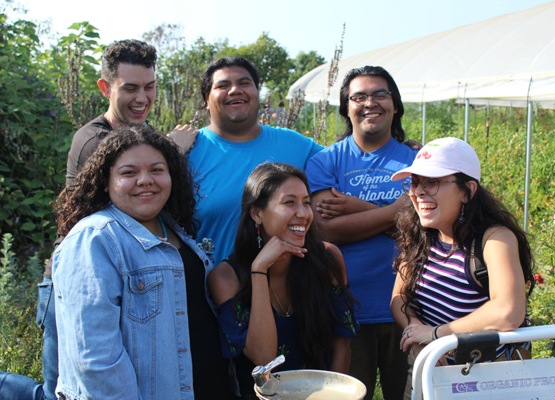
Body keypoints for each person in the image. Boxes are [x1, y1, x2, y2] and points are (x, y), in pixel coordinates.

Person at [0, 39, 198, 400]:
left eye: (150, 87)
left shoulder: (140, 135)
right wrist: (174, 148)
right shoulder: (92, 139)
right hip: (78, 280)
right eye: (131, 88)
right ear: (106, 88)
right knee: (71, 389)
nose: (143, 98)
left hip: (130, 276)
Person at [51, 125, 234, 400]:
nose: (146, 180)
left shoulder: (173, 228)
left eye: (157, 170)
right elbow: (95, 359)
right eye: (129, 172)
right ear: (105, 181)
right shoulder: (94, 240)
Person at [390, 137, 535, 399]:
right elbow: (399, 298)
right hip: (431, 369)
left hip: (485, 381)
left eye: (432, 182)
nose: (419, 192)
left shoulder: (494, 239)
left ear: (467, 190)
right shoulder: (420, 235)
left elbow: (508, 311)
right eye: (414, 182)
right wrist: (418, 338)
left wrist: (436, 336)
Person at [305, 65, 418, 399]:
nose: (371, 102)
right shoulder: (325, 161)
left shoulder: (417, 160)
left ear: (395, 105)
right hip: (346, 309)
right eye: (359, 96)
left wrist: (354, 205)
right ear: (346, 108)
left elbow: (422, 230)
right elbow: (326, 229)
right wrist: (398, 209)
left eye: (381, 94)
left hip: (411, 307)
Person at [207, 162, 359, 399]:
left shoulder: (328, 258)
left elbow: (342, 346)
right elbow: (264, 357)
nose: (304, 213)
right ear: (257, 213)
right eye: (289, 202)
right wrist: (259, 270)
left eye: (306, 203)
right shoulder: (226, 277)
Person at [187, 56, 323, 265]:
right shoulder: (187, 151)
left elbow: (348, 163)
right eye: (223, 85)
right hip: (212, 291)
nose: (235, 90)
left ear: (257, 93)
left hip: (286, 291)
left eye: (244, 83)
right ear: (207, 98)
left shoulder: (296, 145)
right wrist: (171, 149)